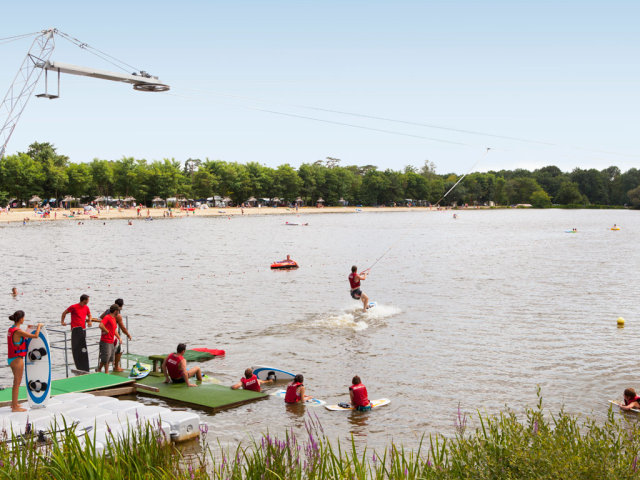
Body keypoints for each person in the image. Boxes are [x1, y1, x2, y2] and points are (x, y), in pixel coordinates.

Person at [7, 311, 43, 412]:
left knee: (16, 382)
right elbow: (35, 336)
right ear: (21, 319)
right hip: (17, 360)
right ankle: (14, 407)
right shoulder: (18, 331)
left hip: (12, 358)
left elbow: (21, 337)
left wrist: (28, 328)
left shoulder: (12, 329)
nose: (24, 319)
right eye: (23, 318)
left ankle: (14, 404)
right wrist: (39, 326)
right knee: (17, 383)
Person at [61, 294, 96, 371]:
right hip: (75, 330)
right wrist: (62, 321)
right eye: (88, 300)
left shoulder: (86, 307)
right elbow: (64, 313)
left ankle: (82, 362)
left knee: (82, 346)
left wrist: (89, 321)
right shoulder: (73, 307)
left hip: (83, 329)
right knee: (76, 346)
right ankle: (77, 362)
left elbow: (89, 315)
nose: (88, 301)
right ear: (84, 300)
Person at [99, 299, 132, 372]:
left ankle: (100, 369)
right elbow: (122, 327)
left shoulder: (107, 311)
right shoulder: (117, 316)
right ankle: (116, 367)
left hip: (110, 335)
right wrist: (128, 334)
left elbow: (101, 318)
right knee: (119, 350)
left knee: (108, 355)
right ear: (120, 307)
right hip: (111, 336)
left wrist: (106, 327)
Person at [96, 304, 122, 374]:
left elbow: (114, 330)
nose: (119, 313)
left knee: (109, 357)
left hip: (111, 341)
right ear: (116, 311)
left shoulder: (114, 319)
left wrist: (119, 338)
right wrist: (106, 330)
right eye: (118, 311)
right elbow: (101, 325)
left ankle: (99, 369)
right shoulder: (107, 317)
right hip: (105, 341)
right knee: (106, 358)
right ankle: (106, 372)